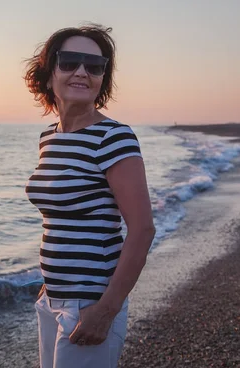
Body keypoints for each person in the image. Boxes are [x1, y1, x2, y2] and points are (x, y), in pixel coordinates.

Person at [23, 24, 156, 368]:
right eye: (69, 62)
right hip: (52, 300)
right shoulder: (48, 138)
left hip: (91, 303)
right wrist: (48, 289)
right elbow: (60, 222)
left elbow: (142, 230)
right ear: (49, 72)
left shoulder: (114, 137)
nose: (81, 71)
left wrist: (105, 310)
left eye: (94, 65)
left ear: (102, 78)